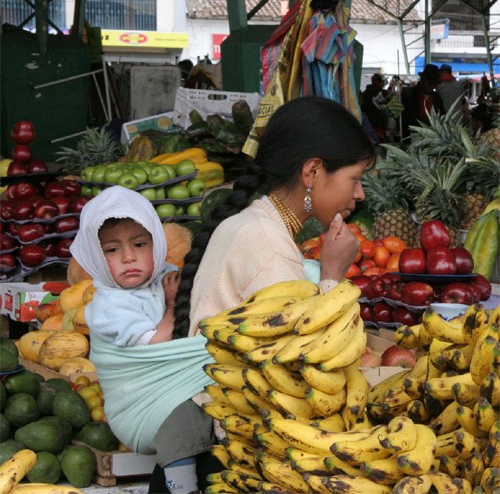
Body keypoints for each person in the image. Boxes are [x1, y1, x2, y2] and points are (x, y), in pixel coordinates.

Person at [172, 96, 377, 340]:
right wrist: (332, 274)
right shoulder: (267, 245)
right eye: (355, 179)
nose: (360, 194)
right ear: (312, 173)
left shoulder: (257, 225)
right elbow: (301, 355)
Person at [70, 186, 216, 494]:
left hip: (171, 388)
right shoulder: (110, 305)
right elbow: (157, 345)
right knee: (184, 417)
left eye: (139, 244)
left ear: (157, 244)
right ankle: (182, 488)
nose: (128, 257)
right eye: (112, 250)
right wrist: (173, 305)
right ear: (96, 258)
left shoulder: (164, 276)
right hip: (141, 408)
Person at [401, 64, 446, 143]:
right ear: (422, 80)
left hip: (432, 140)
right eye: (430, 84)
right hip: (412, 138)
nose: (432, 87)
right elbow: (403, 120)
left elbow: (443, 117)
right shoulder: (408, 95)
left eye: (434, 85)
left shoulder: (437, 98)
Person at [360, 73, 388, 142]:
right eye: (382, 82)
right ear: (379, 82)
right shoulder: (381, 93)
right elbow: (385, 106)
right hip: (379, 123)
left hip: (368, 123)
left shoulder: (364, 93)